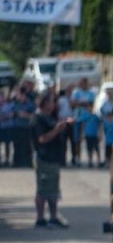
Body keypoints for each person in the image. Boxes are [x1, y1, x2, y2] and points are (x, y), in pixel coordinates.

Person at [32, 87, 71, 228]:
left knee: (53, 190)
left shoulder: (49, 117)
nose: (54, 104)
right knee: (43, 190)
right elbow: (42, 139)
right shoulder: (38, 119)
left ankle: (53, 217)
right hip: (44, 158)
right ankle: (40, 218)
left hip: (53, 158)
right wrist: (57, 129)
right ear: (44, 103)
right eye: (51, 101)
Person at [67, 78, 94, 166]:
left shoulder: (91, 93)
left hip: (88, 119)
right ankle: (78, 158)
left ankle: (90, 159)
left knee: (89, 139)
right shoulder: (76, 92)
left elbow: (91, 104)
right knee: (76, 140)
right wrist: (84, 104)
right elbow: (72, 103)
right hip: (77, 118)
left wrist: (80, 103)